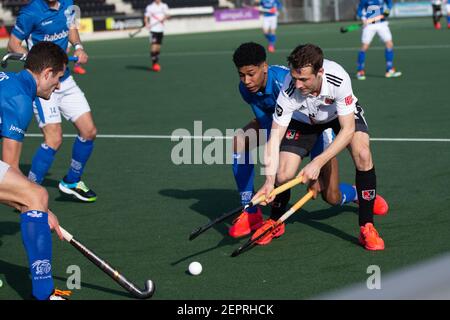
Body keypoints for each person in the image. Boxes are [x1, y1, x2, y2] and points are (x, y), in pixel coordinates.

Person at [229, 42, 388, 239]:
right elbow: (274, 136)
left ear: (319, 72)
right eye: (295, 78)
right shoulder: (289, 87)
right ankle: (272, 221)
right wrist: (269, 181)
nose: (298, 85)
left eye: (303, 79)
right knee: (282, 174)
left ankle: (366, 226)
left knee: (356, 163)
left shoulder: (338, 78)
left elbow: (347, 130)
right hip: (304, 121)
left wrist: (318, 162)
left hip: (337, 117)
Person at [7, 0, 97, 202]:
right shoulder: (31, 12)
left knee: (89, 131)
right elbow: (13, 44)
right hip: (43, 83)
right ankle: (27, 191)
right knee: (54, 139)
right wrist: (41, 62)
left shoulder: (68, 4)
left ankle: (72, 181)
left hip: (65, 79)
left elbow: (71, 27)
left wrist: (78, 46)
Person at [0, 41, 70, 300]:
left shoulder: (8, 79)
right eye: (58, 77)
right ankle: (44, 294)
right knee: (36, 196)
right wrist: (39, 210)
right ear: (47, 73)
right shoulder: (19, 99)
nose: (59, 85)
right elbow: (10, 168)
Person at [355, 0, 402, 80]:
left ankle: (389, 70)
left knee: (389, 44)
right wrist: (363, 18)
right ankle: (360, 71)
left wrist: (387, 11)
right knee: (364, 47)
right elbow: (360, 9)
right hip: (369, 25)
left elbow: (389, 3)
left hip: (382, 23)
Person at [144, 0, 170, 72]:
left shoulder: (164, 6)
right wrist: (146, 24)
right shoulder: (150, 7)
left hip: (161, 29)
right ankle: (154, 64)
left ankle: (156, 62)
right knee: (153, 46)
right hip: (153, 30)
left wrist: (166, 17)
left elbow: (168, 16)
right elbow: (146, 17)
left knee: (158, 48)